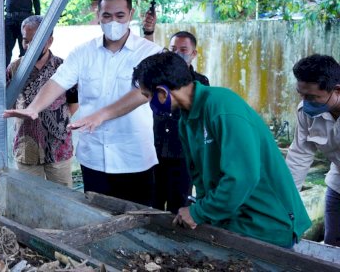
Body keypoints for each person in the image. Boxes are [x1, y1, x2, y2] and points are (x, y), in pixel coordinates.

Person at [132, 51, 311, 248]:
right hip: (234, 222)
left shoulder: (222, 107)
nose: (149, 103)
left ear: (162, 92)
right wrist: (201, 211)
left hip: (267, 224)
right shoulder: (186, 119)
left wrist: (199, 213)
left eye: (148, 96)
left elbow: (242, 178)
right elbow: (199, 176)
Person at [4, 0, 161, 206]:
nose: (113, 21)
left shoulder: (150, 52)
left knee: (140, 225)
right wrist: (34, 108)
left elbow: (144, 93)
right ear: (98, 16)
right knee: (97, 221)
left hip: (133, 157)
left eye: (119, 16)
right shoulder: (83, 52)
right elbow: (58, 81)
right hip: (94, 157)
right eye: (107, 16)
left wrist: (101, 115)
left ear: (131, 14)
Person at [7, 15, 79, 187]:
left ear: (50, 41)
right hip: (27, 149)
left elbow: (74, 102)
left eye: (37, 41)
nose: (30, 46)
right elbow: (8, 103)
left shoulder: (63, 67)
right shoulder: (14, 68)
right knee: (30, 201)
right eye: (26, 41)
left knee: (63, 200)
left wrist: (57, 120)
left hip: (58, 149)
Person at [286, 54, 340, 247]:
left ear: (337, 90)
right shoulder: (306, 112)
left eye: (312, 97)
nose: (305, 101)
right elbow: (299, 155)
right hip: (337, 183)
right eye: (301, 94)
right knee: (333, 245)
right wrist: (287, 202)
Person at [153, 31, 209, 214]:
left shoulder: (200, 82)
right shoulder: (157, 80)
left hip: (184, 153)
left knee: (179, 204)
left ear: (194, 53)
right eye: (172, 49)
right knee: (154, 202)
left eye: (183, 50)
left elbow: (200, 117)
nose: (177, 54)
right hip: (155, 151)